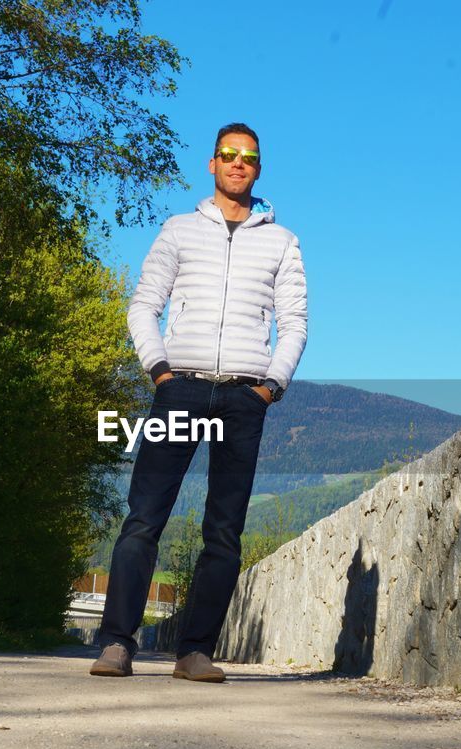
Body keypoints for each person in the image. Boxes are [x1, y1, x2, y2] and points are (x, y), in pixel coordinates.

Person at [90, 122, 308, 682]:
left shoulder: (282, 242)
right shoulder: (179, 231)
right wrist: (160, 371)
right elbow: (144, 305)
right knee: (144, 518)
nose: (238, 164)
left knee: (225, 530)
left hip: (244, 397)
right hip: (180, 387)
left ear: (259, 169)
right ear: (211, 164)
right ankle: (117, 642)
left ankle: (194, 652)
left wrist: (270, 388)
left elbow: (296, 325)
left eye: (249, 157)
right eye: (228, 155)